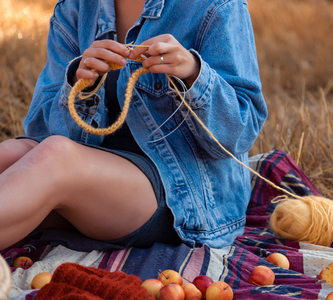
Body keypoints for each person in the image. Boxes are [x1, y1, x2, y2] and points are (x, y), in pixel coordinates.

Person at [0, 0, 267, 251]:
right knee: (11, 154)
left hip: (182, 191)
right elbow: (39, 126)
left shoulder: (217, 6)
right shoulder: (75, 6)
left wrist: (194, 73)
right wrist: (81, 85)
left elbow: (242, 131)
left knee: (55, 157)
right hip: (93, 173)